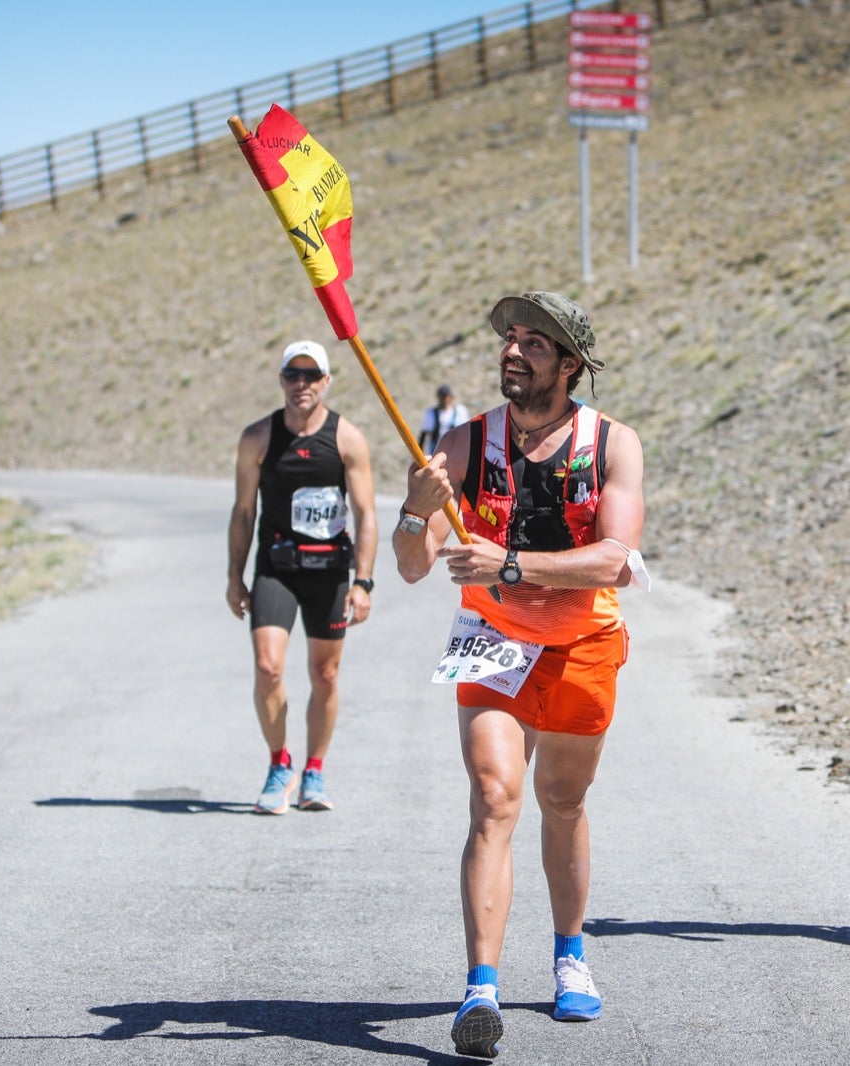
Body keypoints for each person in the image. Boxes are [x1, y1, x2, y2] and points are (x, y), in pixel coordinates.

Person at [393, 292, 647, 1059]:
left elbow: (615, 560)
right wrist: (415, 508)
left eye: (534, 343)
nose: (513, 351)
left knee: (562, 803)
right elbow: (411, 566)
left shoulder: (612, 444)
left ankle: (570, 954)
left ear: (570, 365)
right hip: (494, 641)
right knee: (495, 797)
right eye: (510, 338)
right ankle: (481, 986)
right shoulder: (469, 443)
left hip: (581, 645)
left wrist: (508, 561)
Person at [227, 340, 378, 815]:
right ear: (281, 380)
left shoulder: (347, 438)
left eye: (312, 376)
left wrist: (363, 581)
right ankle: (279, 765)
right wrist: (235, 576)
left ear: (326, 382)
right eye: (293, 375)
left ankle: (314, 770)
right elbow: (243, 511)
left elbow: (366, 514)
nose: (302, 384)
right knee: (268, 667)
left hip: (330, 571)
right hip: (277, 568)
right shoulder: (258, 438)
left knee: (325, 675)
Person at [417, 383, 468, 454]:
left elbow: (466, 433)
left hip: (454, 451)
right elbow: (424, 434)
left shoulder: (459, 412)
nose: (444, 399)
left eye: (445, 396)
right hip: (435, 451)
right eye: (442, 396)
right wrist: (419, 453)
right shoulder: (431, 413)